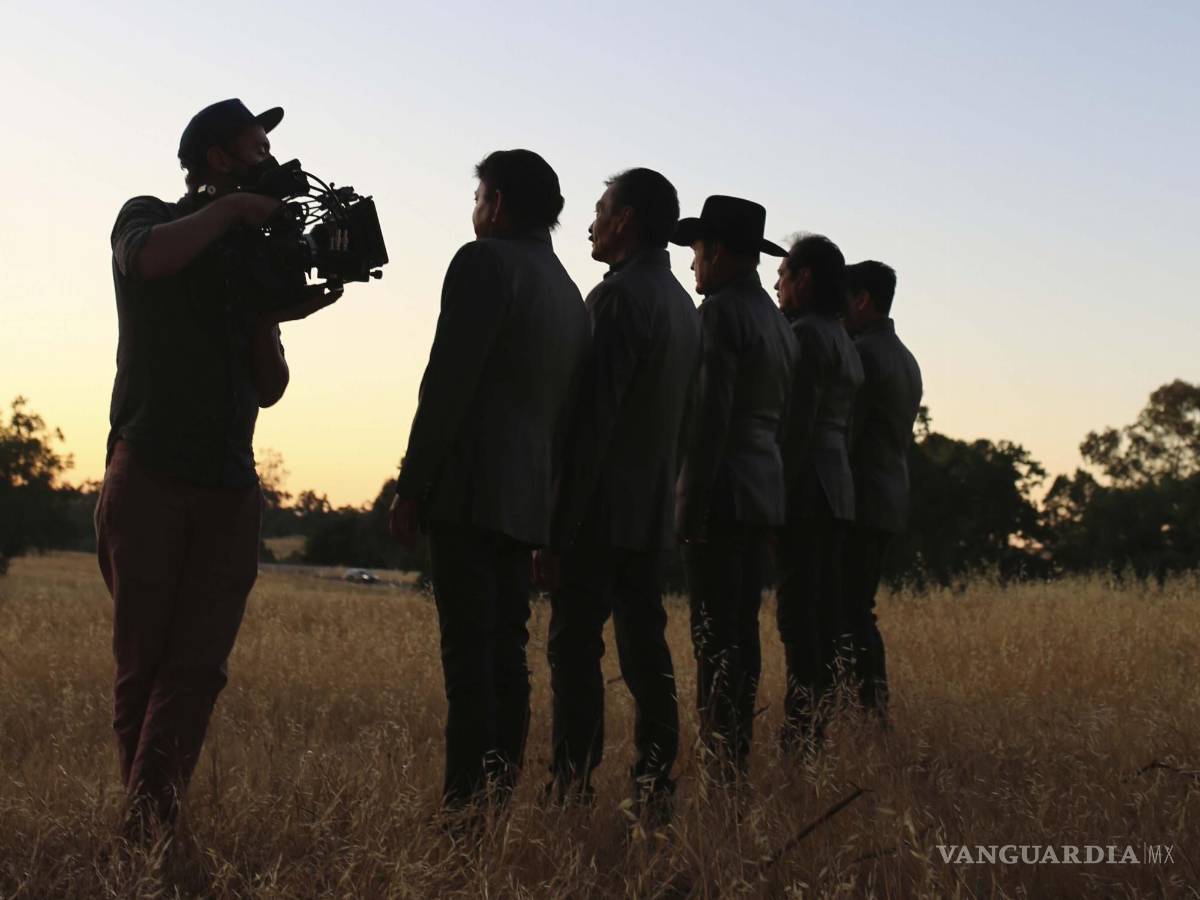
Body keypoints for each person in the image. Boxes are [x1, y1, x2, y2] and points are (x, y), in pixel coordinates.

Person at [97, 98, 342, 835]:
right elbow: (148, 258)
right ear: (217, 158)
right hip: (149, 470)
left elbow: (271, 384)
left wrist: (271, 305)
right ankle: (150, 824)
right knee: (145, 664)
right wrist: (235, 214)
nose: (270, 160)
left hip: (230, 483)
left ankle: (147, 824)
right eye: (256, 146)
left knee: (197, 667)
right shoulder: (147, 216)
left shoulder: (248, 258)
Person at [389, 149, 590, 810]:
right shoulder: (568, 293)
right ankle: (497, 799)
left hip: (471, 492)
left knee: (468, 662)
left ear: (498, 203)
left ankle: (463, 806)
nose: (475, 210)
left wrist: (413, 484)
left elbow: (448, 384)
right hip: (528, 500)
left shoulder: (483, 263)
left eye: (479, 196)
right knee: (509, 655)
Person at [541, 168, 701, 818]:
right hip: (650, 513)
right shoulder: (682, 306)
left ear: (626, 220)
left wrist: (555, 529)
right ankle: (654, 783)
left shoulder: (616, 301)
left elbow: (589, 426)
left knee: (574, 648)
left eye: (600, 209)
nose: (590, 222)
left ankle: (570, 786)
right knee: (646, 647)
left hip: (598, 514)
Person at [672, 196, 795, 779]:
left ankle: (721, 762)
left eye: (696, 250)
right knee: (741, 635)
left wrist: (688, 508)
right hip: (763, 493)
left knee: (714, 638)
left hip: (720, 495)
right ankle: (734, 757)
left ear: (717, 250)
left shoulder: (720, 313)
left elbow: (706, 418)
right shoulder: (775, 318)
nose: (692, 263)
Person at [774, 233, 863, 752]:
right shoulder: (843, 339)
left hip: (808, 488)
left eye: (784, 274)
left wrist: (775, 499)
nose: (777, 283)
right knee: (822, 615)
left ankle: (801, 731)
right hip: (838, 489)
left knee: (799, 617)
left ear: (805, 279)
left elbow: (796, 427)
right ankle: (812, 725)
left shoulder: (807, 336)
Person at [842, 260, 923, 719]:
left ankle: (868, 710)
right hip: (888, 496)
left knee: (849, 612)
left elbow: (848, 434)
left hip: (861, 498)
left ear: (862, 300)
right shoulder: (903, 355)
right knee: (858, 609)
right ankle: (870, 710)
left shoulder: (864, 355)